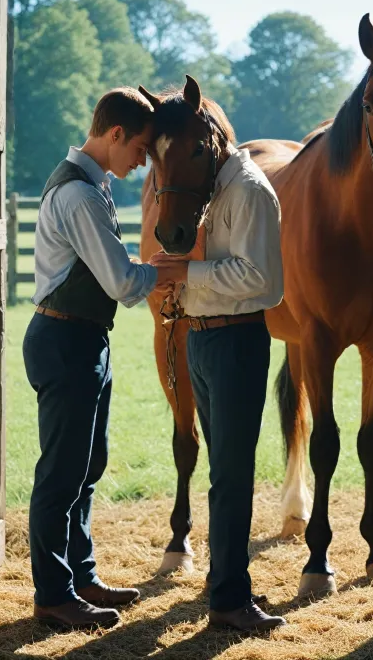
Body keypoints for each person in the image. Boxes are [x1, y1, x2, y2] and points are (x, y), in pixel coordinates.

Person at [23, 87, 179, 629]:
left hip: (84, 338)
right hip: (66, 341)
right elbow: (122, 283)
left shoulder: (93, 185)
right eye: (139, 148)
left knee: (87, 468)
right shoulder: (82, 197)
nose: (142, 162)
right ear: (115, 134)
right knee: (60, 476)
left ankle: (80, 577)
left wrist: (144, 268)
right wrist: (166, 269)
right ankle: (54, 595)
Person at [149, 142, 286, 633]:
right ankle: (225, 582)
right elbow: (216, 267)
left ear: (206, 148)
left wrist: (186, 272)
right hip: (203, 338)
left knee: (230, 475)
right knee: (223, 473)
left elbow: (260, 278)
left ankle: (229, 599)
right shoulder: (215, 191)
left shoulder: (248, 192)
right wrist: (179, 283)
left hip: (235, 342)